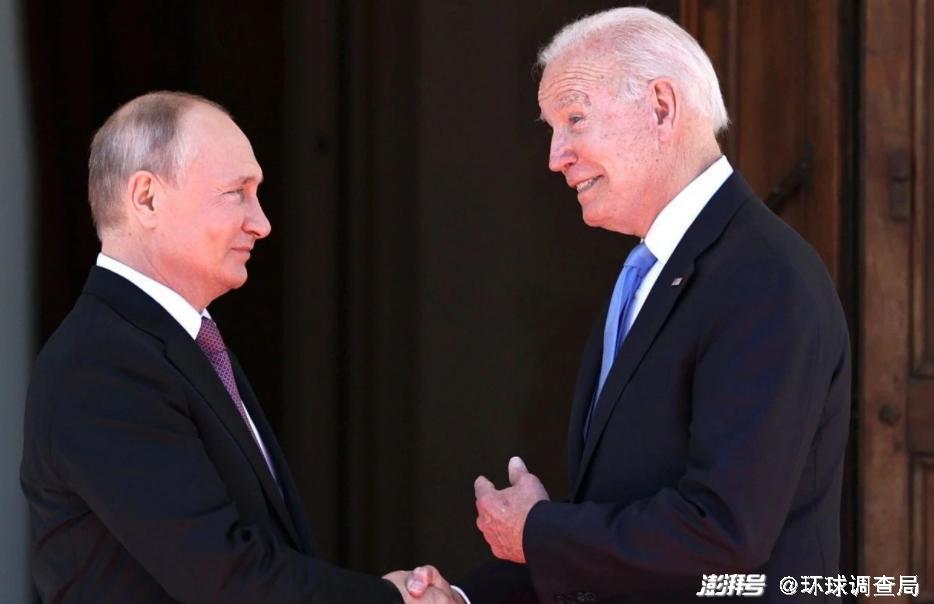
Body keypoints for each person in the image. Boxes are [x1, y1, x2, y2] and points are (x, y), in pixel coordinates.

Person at [407, 7, 851, 603]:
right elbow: (623, 515)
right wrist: (464, 597)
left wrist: (538, 531)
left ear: (661, 107)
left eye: (575, 119)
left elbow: (722, 534)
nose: (556, 156)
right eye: (552, 128)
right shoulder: (650, 270)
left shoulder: (764, 278)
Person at [20, 91, 458, 603]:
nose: (262, 223)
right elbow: (224, 577)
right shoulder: (100, 364)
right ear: (147, 199)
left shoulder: (180, 342)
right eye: (237, 193)